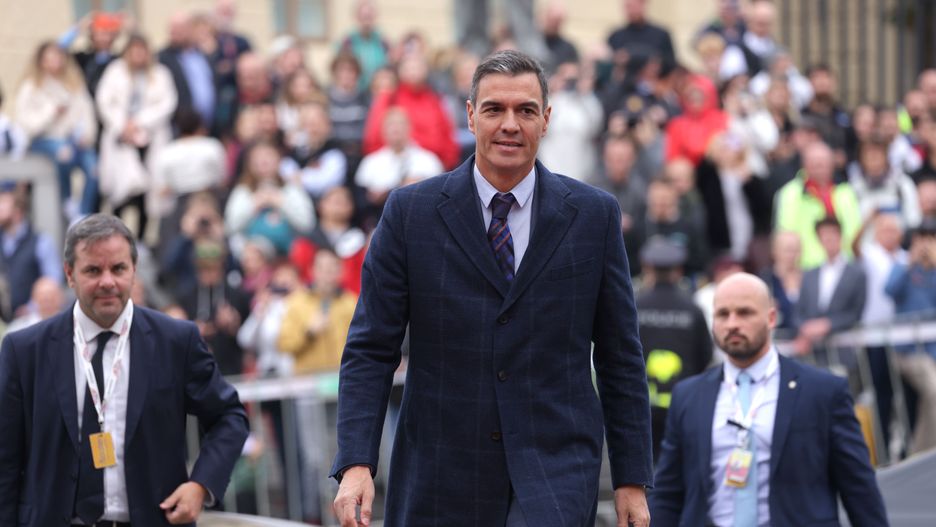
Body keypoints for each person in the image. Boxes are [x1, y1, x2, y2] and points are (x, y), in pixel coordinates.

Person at [332, 50, 652, 527]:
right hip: (440, 475)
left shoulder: (593, 216)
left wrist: (631, 478)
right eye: (494, 109)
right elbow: (371, 348)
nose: (510, 124)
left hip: (554, 474)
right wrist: (356, 462)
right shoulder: (410, 214)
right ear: (470, 115)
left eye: (526, 110)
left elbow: (619, 355)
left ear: (546, 120)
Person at [0, 213, 249, 526]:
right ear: (69, 274)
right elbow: (5, 459)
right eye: (93, 270)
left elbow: (229, 416)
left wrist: (201, 485)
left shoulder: (176, 341)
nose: (107, 281)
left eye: (118, 268)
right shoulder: (25, 351)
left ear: (134, 270)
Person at [649, 272, 888, 526]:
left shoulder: (824, 392)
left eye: (744, 313)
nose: (732, 324)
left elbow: (859, 490)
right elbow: (667, 494)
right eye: (723, 314)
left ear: (771, 318)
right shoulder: (688, 396)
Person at [96, 33, 178, 240]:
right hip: (122, 138)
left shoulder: (160, 74)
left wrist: (140, 122)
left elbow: (167, 104)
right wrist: (123, 125)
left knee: (147, 194)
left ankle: (141, 239)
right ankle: (116, 237)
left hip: (150, 139)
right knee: (121, 194)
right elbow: (104, 101)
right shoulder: (115, 72)